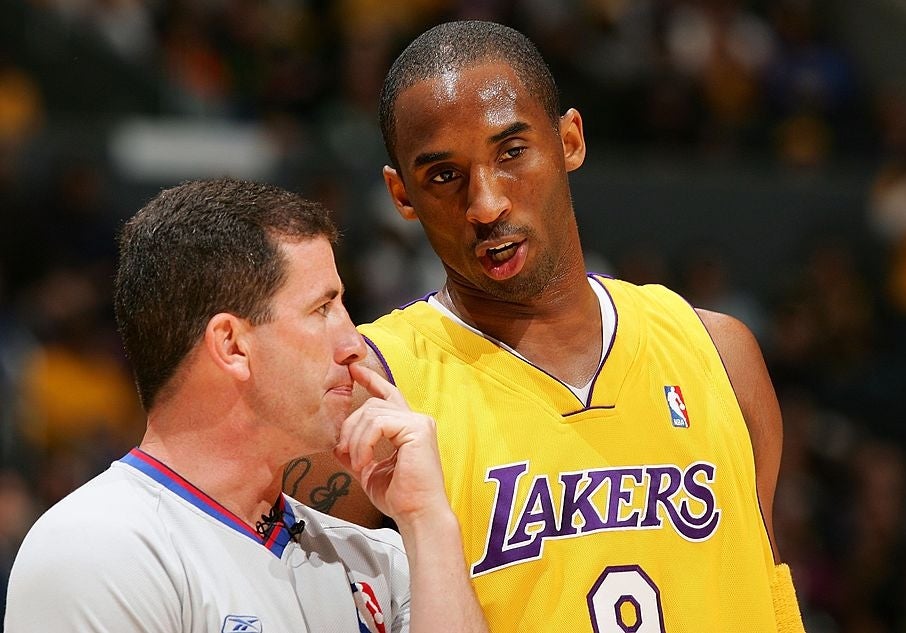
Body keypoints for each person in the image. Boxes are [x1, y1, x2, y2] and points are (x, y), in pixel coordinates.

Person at [295, 20, 806, 632]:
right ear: (401, 194)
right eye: (443, 176)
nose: (486, 205)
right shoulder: (370, 393)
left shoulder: (721, 353)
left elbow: (758, 586)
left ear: (570, 140)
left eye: (511, 153)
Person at [4, 178, 488, 633]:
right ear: (232, 345)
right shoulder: (97, 549)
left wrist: (427, 520)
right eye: (322, 309)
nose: (355, 343)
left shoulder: (378, 557)